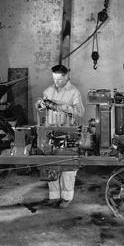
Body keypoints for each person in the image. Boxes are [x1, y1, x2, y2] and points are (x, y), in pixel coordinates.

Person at [35, 64, 84, 207]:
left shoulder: (74, 92)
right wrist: (40, 104)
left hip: (67, 133)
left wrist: (59, 106)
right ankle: (54, 196)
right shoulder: (49, 90)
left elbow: (80, 112)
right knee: (51, 165)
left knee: (67, 167)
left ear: (67, 76)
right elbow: (40, 106)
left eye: (59, 80)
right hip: (50, 132)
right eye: (54, 79)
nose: (56, 83)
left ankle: (67, 197)